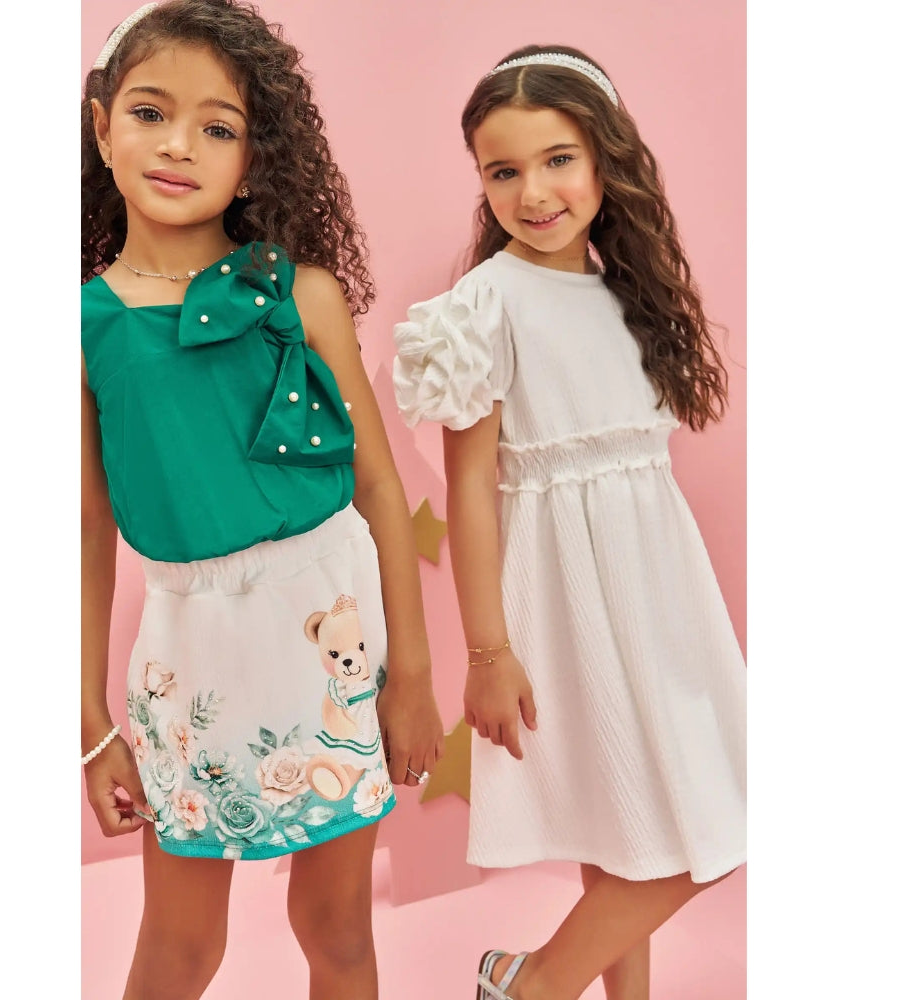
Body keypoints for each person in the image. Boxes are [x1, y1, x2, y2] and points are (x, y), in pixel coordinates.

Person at [81, 3, 444, 998]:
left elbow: (377, 485)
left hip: (331, 637)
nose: (179, 145)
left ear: (254, 160)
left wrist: (411, 675)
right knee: (181, 946)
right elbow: (84, 533)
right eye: (150, 113)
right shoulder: (81, 326)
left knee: (338, 931)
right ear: (102, 126)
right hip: (189, 657)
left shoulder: (302, 294)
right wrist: (88, 722)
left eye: (218, 127)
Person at [393, 46, 746, 1000]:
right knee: (663, 823)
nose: (534, 192)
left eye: (558, 160)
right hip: (565, 597)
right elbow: (472, 489)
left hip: (658, 590)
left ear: (605, 158)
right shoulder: (482, 308)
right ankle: (538, 984)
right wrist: (487, 653)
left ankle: (548, 983)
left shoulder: (626, 294)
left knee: (641, 828)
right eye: (503, 171)